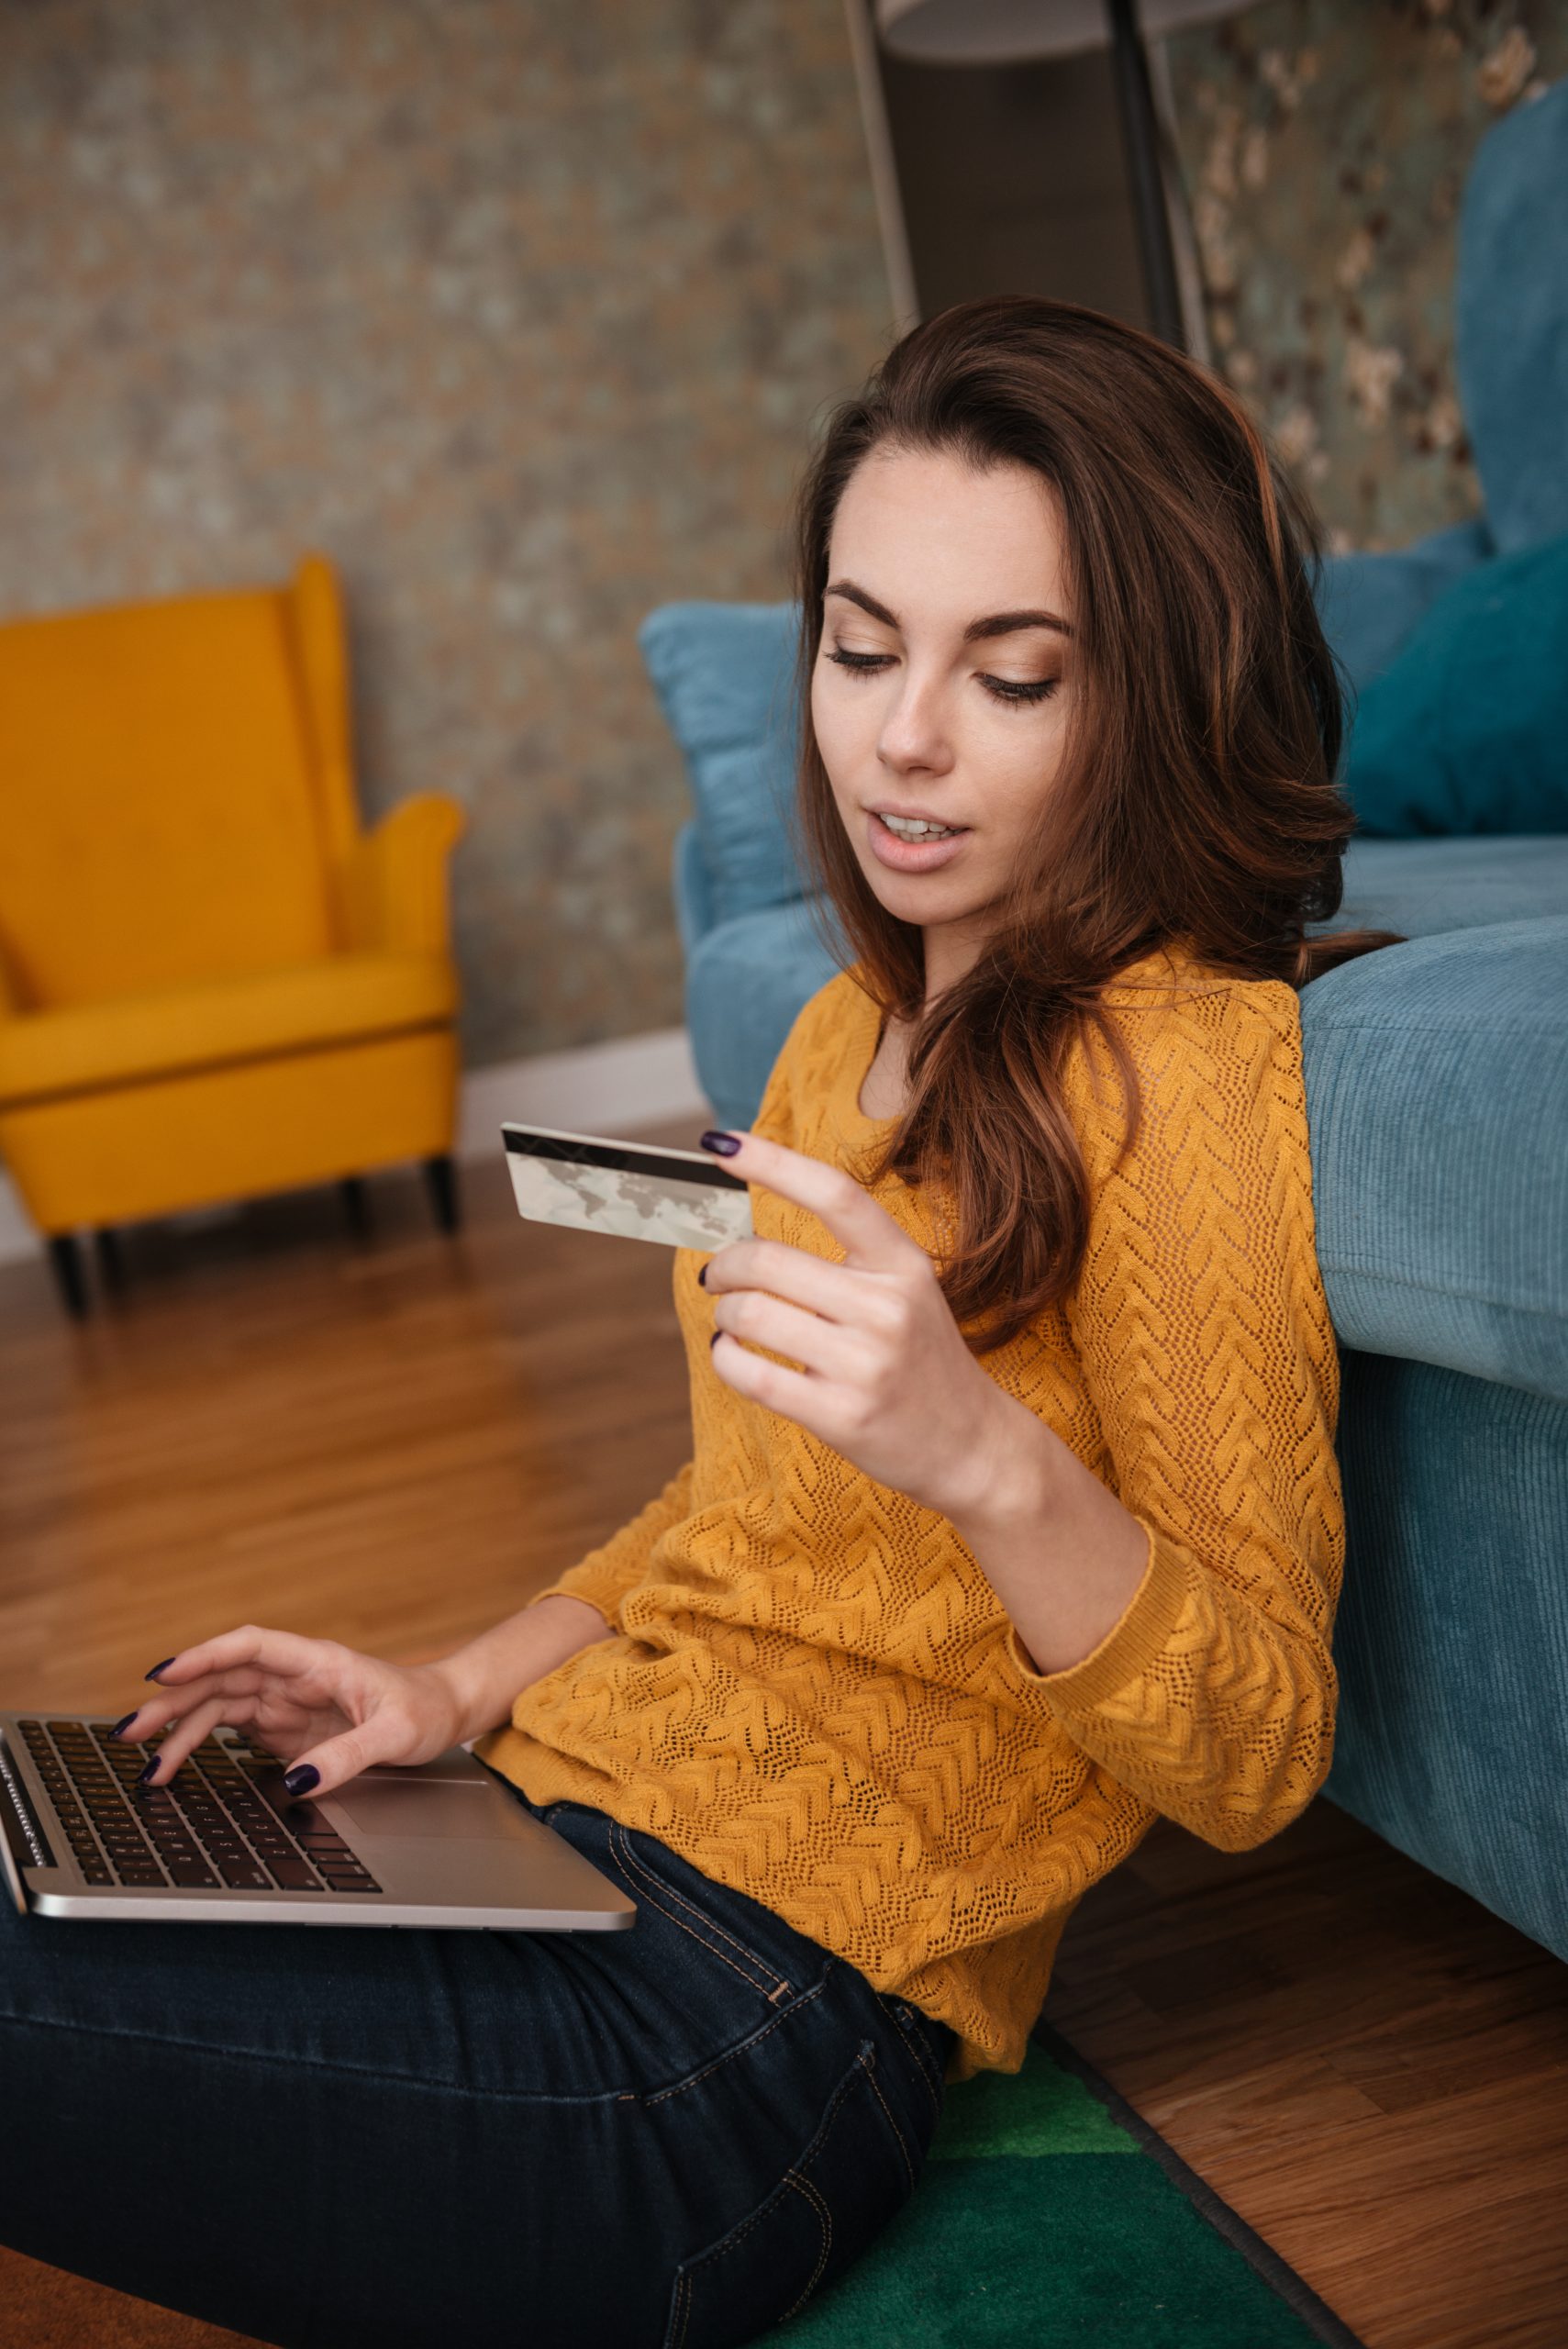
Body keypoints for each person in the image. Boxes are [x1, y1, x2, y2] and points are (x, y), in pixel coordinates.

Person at [0, 295, 1400, 2349]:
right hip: (551, 1830)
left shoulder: (1181, 1072)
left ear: (1153, 700)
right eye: (858, 646)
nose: (900, 738)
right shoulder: (848, 1029)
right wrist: (452, 1683)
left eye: (1010, 675)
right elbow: (746, 1499)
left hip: (726, 2047)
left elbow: (1264, 1744)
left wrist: (987, 1456)